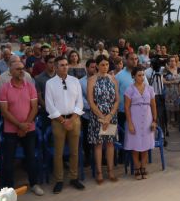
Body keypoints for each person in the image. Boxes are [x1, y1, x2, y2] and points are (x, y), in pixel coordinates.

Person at [0, 61, 43, 195]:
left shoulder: (30, 86)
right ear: (11, 72)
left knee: (30, 158)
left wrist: (25, 126)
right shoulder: (5, 88)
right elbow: (4, 111)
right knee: (9, 160)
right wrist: (19, 125)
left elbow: (34, 108)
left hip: (29, 129)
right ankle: (8, 189)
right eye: (18, 69)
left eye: (22, 68)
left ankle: (34, 184)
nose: (21, 71)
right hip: (11, 130)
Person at [45, 56, 86, 193]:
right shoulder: (50, 83)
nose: (65, 67)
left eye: (66, 64)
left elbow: (80, 102)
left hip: (74, 119)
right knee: (59, 153)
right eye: (61, 65)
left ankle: (74, 178)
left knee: (74, 151)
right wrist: (63, 121)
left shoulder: (75, 81)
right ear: (55, 67)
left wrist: (72, 118)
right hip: (58, 121)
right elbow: (49, 105)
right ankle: (59, 180)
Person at [87, 55, 119, 184]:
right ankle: (99, 173)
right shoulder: (92, 80)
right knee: (99, 144)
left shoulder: (113, 79)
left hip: (111, 116)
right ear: (97, 66)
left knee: (110, 144)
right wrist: (102, 117)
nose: (105, 67)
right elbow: (90, 101)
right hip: (97, 116)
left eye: (107, 64)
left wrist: (109, 116)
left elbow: (117, 100)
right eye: (102, 65)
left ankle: (111, 171)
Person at [124, 66, 157, 180]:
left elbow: (153, 105)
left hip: (147, 119)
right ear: (134, 76)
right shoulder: (129, 90)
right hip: (135, 119)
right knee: (135, 146)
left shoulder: (150, 89)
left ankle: (143, 167)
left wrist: (154, 121)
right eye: (139, 75)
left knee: (145, 146)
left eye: (143, 75)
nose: (142, 77)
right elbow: (126, 108)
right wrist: (130, 123)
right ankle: (137, 168)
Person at [35, 55, 57, 128]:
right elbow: (39, 97)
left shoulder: (60, 76)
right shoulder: (39, 78)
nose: (53, 65)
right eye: (50, 62)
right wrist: (49, 109)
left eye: (54, 62)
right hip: (46, 112)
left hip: (60, 111)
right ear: (46, 64)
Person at [163, 56, 180, 130]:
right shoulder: (165, 70)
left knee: (178, 107)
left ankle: (177, 123)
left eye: (174, 61)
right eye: (171, 61)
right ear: (168, 62)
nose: (172, 62)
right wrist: (172, 82)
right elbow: (163, 81)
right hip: (169, 92)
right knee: (169, 107)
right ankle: (169, 122)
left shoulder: (179, 69)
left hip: (178, 91)